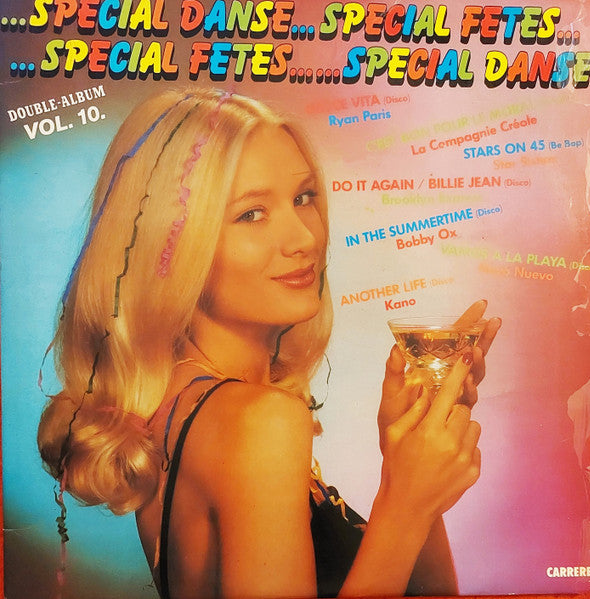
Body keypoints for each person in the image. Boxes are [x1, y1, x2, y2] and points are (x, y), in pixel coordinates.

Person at [37, 88, 500, 598]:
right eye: (251, 214)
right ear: (169, 246)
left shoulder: (173, 408)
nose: (304, 238)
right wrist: (404, 505)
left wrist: (409, 465)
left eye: (303, 198)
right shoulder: (260, 422)